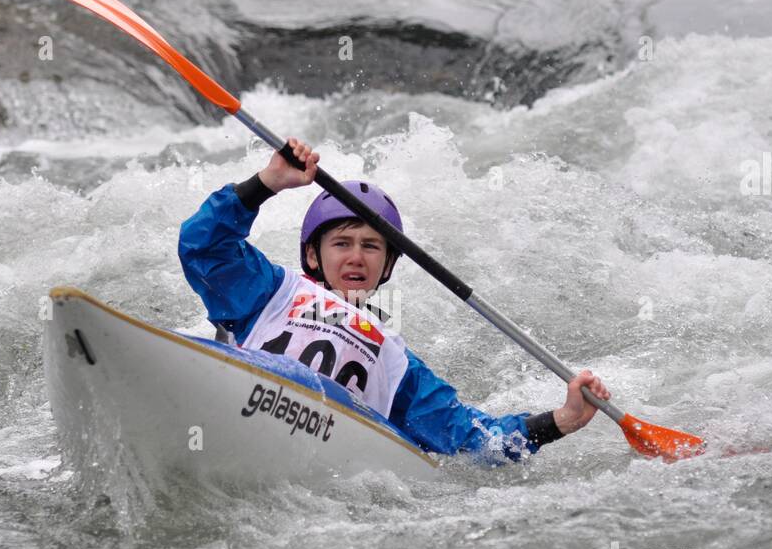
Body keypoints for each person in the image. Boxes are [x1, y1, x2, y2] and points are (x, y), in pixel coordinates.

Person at [178, 139, 611, 461]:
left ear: (387, 265)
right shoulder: (270, 290)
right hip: (241, 403)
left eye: (371, 246)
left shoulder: (393, 359)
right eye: (341, 243)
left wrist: (562, 420)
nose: (355, 257)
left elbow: (470, 441)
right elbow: (202, 245)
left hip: (308, 448)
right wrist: (267, 183)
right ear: (312, 253)